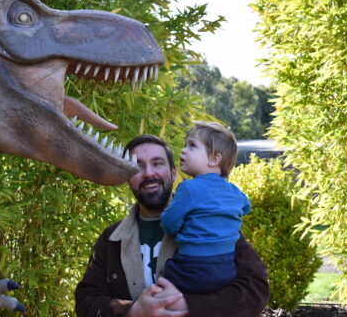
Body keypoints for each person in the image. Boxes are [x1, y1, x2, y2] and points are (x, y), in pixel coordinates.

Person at [75, 134, 269, 317]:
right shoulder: (111, 238)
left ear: (174, 173)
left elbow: (256, 290)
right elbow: (86, 301)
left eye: (157, 164)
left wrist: (187, 306)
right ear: (128, 179)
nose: (149, 173)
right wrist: (133, 311)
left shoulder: (213, 224)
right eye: (137, 166)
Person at [158, 121, 251, 301]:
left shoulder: (188, 189)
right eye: (185, 145)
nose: (183, 150)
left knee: (163, 283)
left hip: (192, 268)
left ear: (214, 159)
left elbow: (169, 224)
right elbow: (246, 207)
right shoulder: (234, 191)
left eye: (192, 146)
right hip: (227, 269)